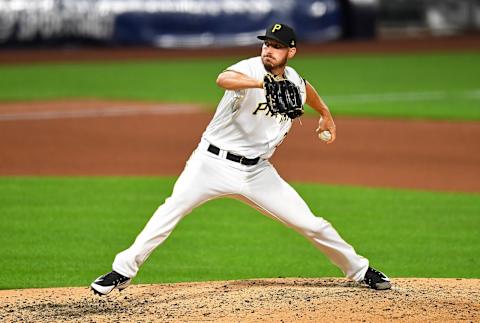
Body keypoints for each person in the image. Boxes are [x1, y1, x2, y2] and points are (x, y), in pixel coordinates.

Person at [91, 23, 391, 295]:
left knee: (311, 224)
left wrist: (325, 113)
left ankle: (360, 270)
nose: (268, 50)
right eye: (266, 44)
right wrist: (262, 84)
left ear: (291, 52)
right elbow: (223, 78)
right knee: (170, 211)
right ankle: (122, 271)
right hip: (210, 164)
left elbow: (305, 88)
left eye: (275, 46)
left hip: (257, 172)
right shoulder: (249, 69)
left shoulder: (293, 79)